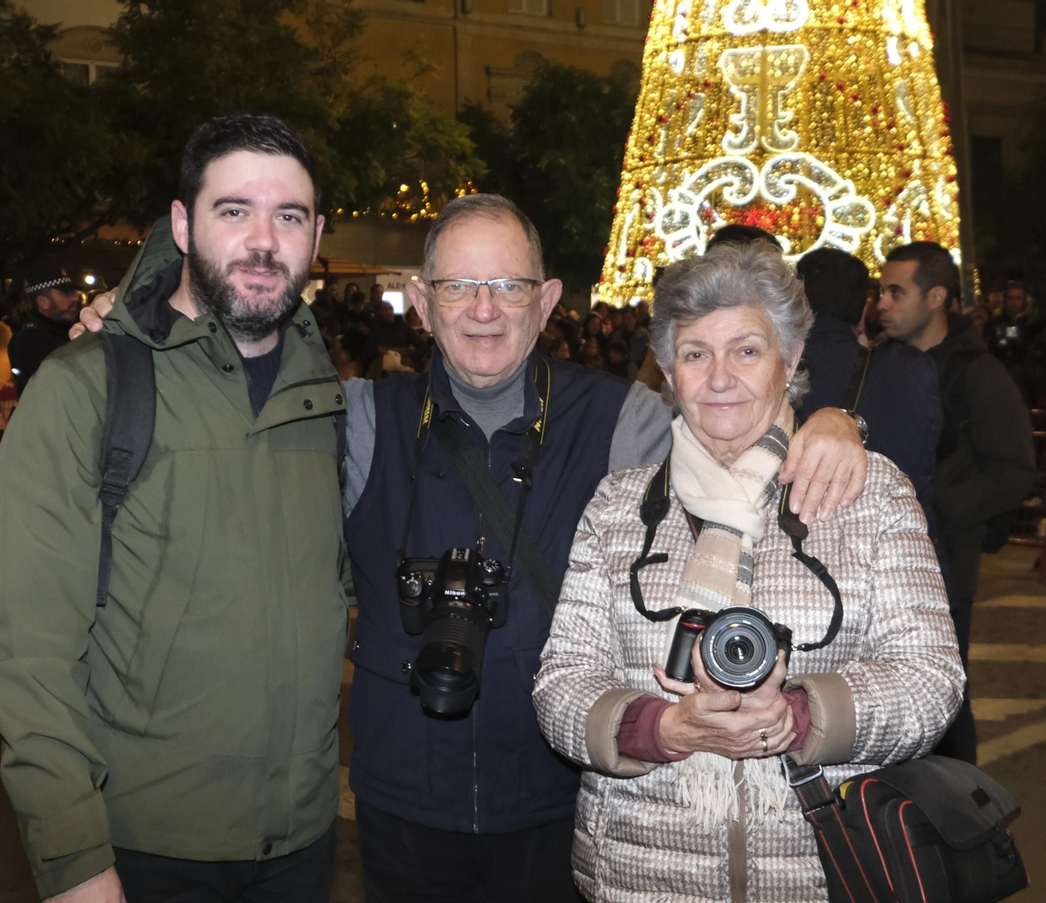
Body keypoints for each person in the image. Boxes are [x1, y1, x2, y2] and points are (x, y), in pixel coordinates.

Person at [77, 195, 869, 903]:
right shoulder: (358, 417)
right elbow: (218, 405)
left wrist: (829, 421)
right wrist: (137, 319)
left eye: (509, 286)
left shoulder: (618, 417)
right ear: (422, 302)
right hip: (402, 797)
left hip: (562, 793)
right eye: (459, 286)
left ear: (548, 300)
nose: (484, 310)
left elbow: (733, 425)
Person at [0, 114, 348, 903]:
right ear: (181, 223)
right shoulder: (87, 386)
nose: (262, 240)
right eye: (233, 209)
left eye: (288, 216)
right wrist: (73, 857)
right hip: (143, 850)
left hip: (303, 844)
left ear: (316, 235)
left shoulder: (328, 400)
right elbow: (25, 649)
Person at [532, 240, 964, 902]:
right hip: (642, 878)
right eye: (695, 353)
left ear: (789, 363)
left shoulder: (871, 494)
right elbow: (560, 683)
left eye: (747, 350)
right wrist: (660, 727)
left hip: (827, 871)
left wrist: (798, 714)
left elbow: (932, 680)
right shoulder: (621, 506)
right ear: (669, 373)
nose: (720, 376)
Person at [876, 240, 1034, 764]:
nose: (882, 303)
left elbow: (1013, 471)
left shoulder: (978, 374)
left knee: (945, 703)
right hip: (878, 562)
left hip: (944, 565)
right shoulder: (879, 364)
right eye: (881, 291)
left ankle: (965, 822)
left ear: (937, 296)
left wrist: (938, 512)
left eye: (897, 292)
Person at [789, 246, 942, 512]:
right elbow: (923, 467)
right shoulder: (911, 368)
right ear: (861, 314)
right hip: (891, 525)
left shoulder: (773, 366)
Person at [8, 268, 84, 393]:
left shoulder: (71, 330)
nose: (75, 298)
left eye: (73, 292)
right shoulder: (29, 340)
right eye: (65, 293)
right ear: (43, 302)